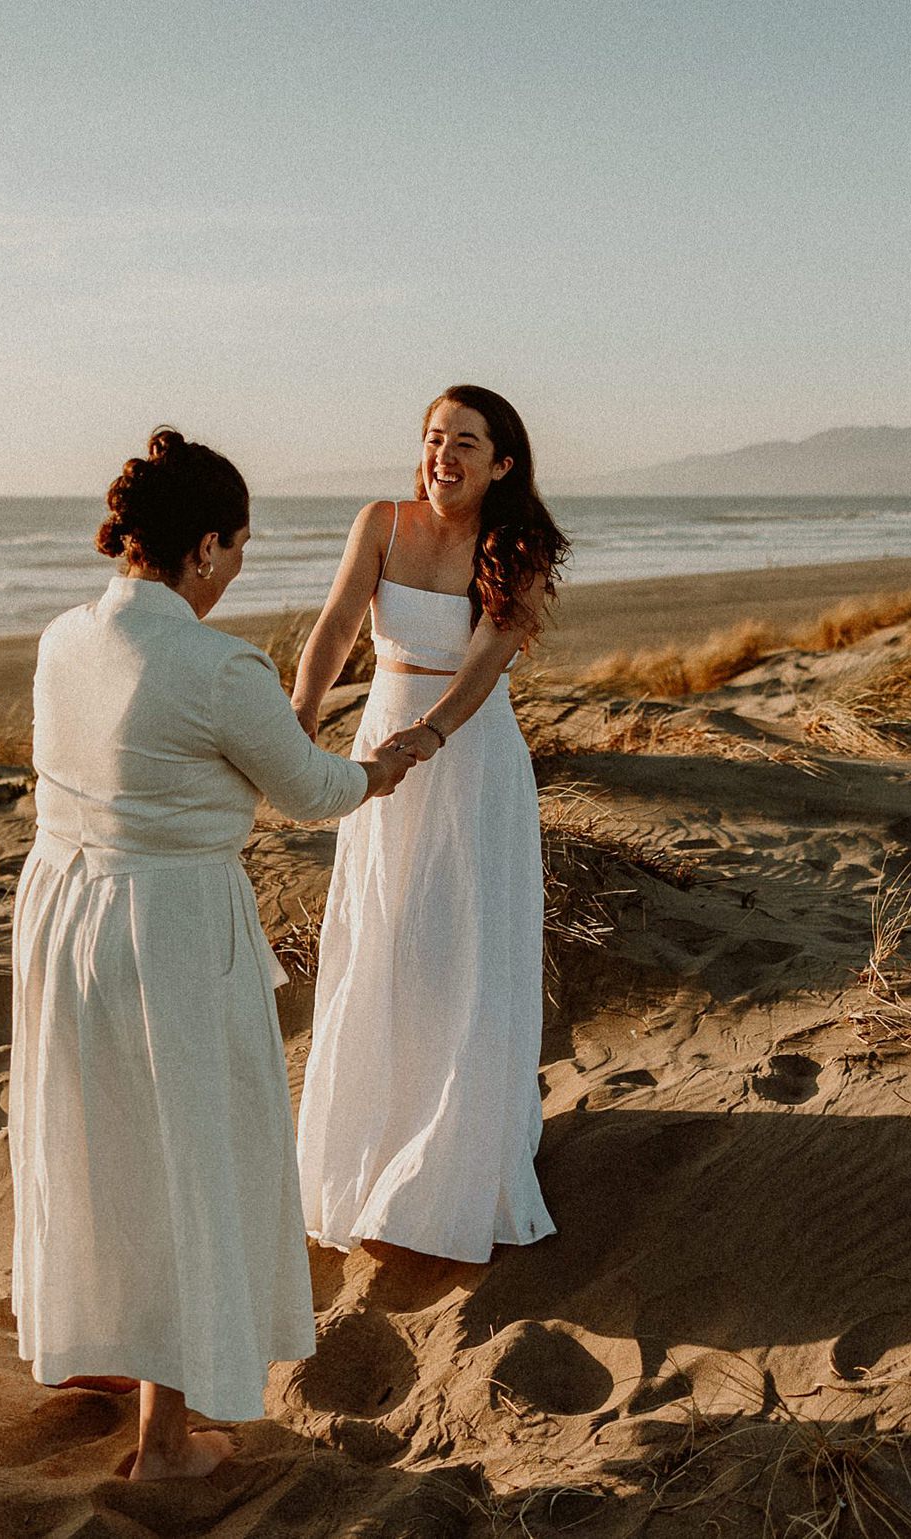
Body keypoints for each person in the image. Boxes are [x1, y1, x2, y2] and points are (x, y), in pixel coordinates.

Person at [10, 429, 417, 1481]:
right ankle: (162, 1444)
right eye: (236, 546)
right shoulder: (220, 664)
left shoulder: (62, 637)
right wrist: (380, 768)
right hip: (170, 927)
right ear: (201, 549)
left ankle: (99, 1341)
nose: (237, 566)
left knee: (96, 1140)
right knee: (191, 1160)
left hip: (62, 913)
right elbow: (311, 790)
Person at [290, 384, 571, 1263]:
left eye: (464, 442)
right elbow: (338, 622)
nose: (442, 455)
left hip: (469, 752)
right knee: (382, 936)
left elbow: (487, 658)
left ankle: (449, 1166)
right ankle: (372, 1149)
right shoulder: (381, 522)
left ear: (502, 463)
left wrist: (433, 731)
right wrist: (299, 714)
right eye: (434, 437)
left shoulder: (518, 549)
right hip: (383, 742)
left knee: (461, 945)